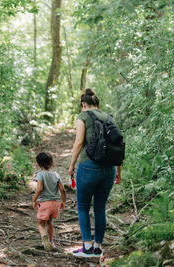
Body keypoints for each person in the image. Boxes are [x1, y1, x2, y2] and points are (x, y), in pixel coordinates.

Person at [68, 88, 122, 257]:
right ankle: (98, 248)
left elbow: (78, 143)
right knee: (100, 208)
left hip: (88, 167)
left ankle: (86, 247)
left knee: (83, 207)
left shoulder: (83, 117)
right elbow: (117, 145)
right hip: (109, 169)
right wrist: (118, 171)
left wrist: (71, 166)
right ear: (97, 103)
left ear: (83, 104)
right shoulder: (109, 118)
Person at [32, 152, 66, 251]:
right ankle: (51, 242)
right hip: (55, 203)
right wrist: (63, 201)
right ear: (52, 163)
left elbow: (39, 189)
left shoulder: (40, 175)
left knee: (41, 223)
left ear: (38, 164)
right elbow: (62, 189)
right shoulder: (56, 175)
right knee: (50, 222)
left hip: (44, 203)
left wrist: (34, 200)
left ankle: (43, 237)